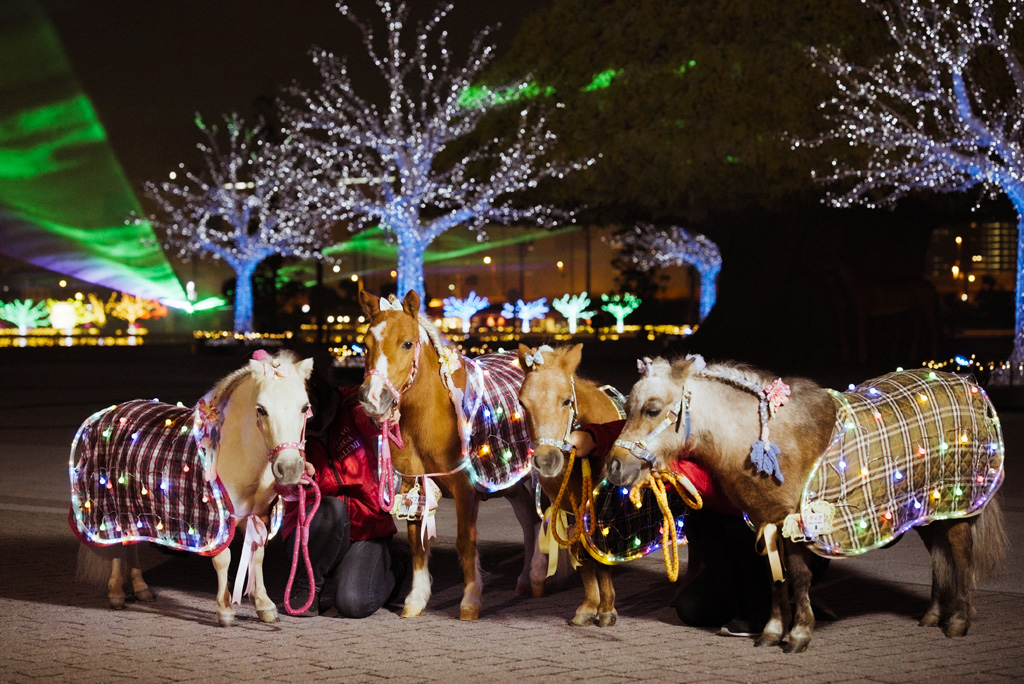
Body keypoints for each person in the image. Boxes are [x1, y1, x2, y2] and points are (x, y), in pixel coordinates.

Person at [569, 419, 827, 637]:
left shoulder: (731, 419)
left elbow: (733, 485)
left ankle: (771, 607)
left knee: (706, 522)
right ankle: (767, 602)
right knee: (692, 608)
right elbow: (642, 424)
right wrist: (595, 437)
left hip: (772, 539)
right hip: (733, 541)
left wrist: (672, 470)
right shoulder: (677, 416)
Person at [277, 370, 410, 618]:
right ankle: (307, 587)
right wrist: (296, 480)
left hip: (365, 529)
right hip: (315, 529)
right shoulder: (287, 430)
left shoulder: (348, 404)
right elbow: (281, 488)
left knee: (354, 604)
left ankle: (397, 563)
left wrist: (380, 415)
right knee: (329, 508)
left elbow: (366, 417)